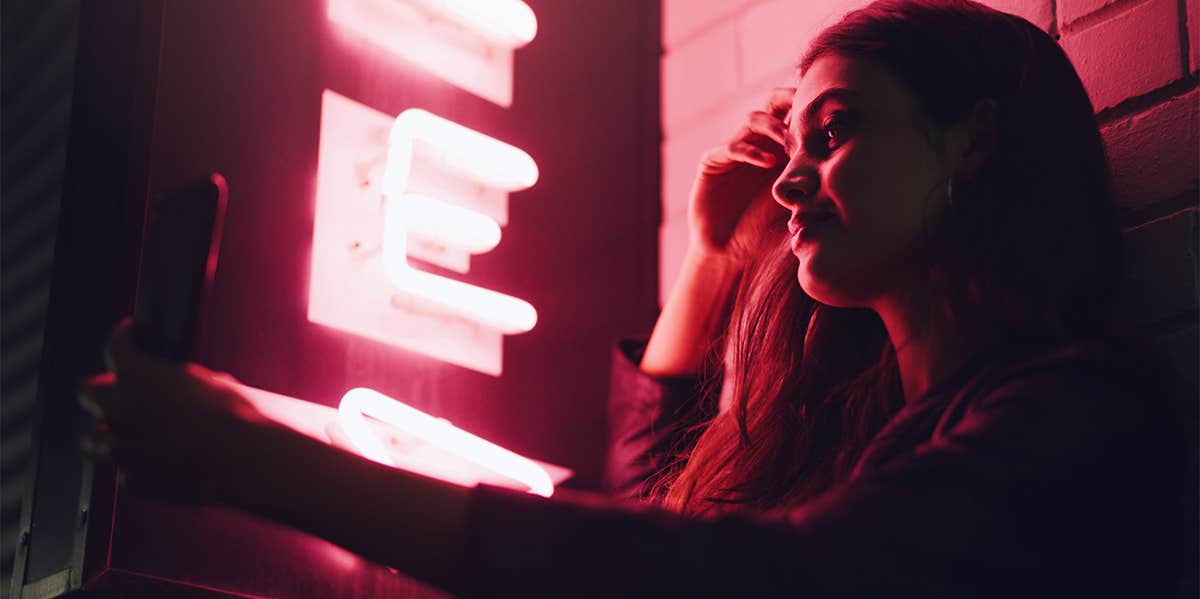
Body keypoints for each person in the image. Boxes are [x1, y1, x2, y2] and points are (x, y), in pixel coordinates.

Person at [80, 0, 1190, 596]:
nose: (793, 178)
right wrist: (711, 259)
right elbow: (666, 514)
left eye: (837, 129)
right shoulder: (876, 436)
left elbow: (774, 582)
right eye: (794, 142)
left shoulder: (1085, 407)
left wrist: (263, 463)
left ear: (974, 138)